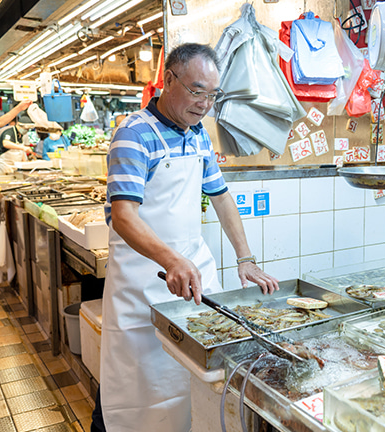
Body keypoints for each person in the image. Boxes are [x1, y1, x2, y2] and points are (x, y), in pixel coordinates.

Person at [92, 43, 279, 432]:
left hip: (193, 282)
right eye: (197, 91)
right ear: (169, 80)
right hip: (141, 288)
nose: (205, 103)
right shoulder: (133, 133)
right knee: (136, 396)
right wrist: (171, 259)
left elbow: (222, 197)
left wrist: (246, 258)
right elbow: (124, 218)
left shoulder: (198, 136)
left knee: (195, 386)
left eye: (213, 95)